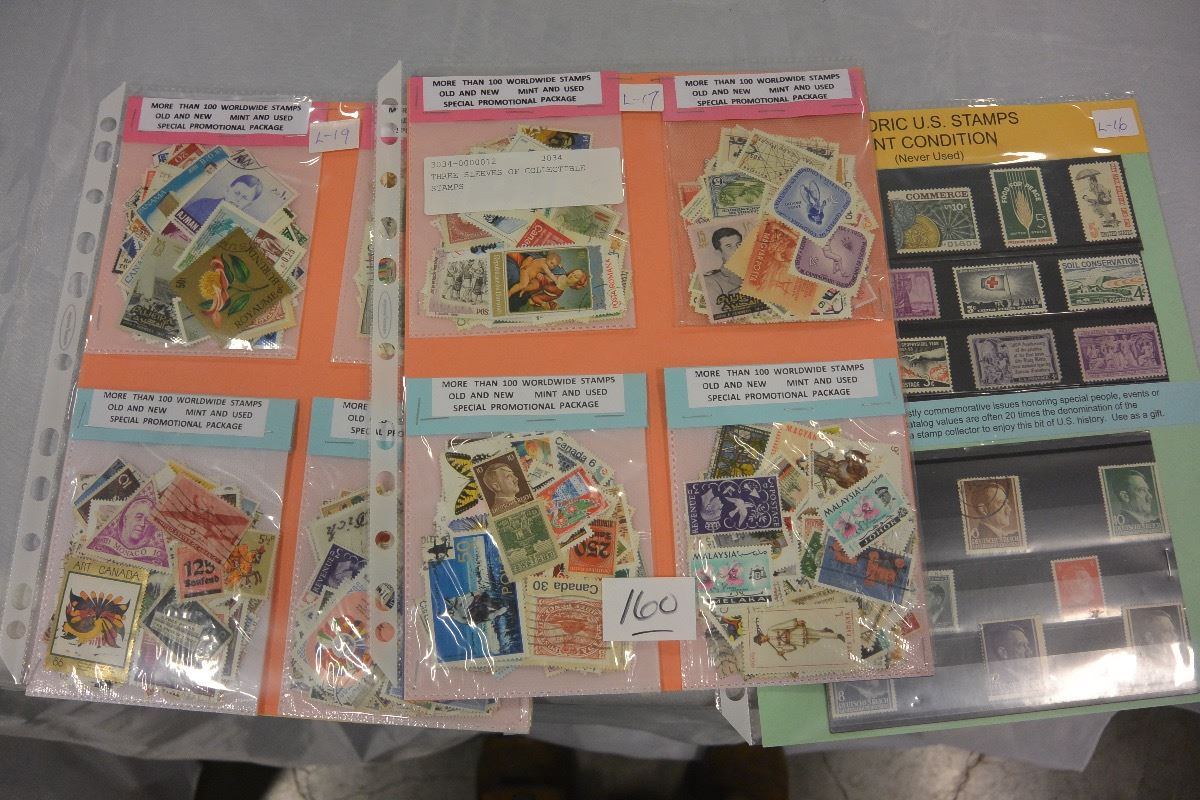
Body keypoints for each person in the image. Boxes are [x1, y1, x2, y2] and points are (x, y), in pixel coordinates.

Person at [178, 173, 264, 229]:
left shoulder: (241, 227)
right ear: (227, 190)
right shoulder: (202, 204)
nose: (238, 199)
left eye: (244, 198)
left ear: (248, 205)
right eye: (236, 193)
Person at [702, 227, 745, 300]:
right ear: (719, 253)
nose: (737, 250)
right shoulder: (711, 280)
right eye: (729, 246)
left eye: (739, 244)